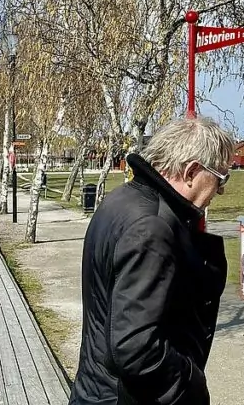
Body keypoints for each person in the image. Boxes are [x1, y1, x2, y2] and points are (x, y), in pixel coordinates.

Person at [69, 116, 234, 405]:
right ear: (191, 171)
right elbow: (136, 348)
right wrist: (191, 383)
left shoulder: (122, 198)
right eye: (221, 178)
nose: (220, 190)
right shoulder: (152, 227)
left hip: (97, 389)